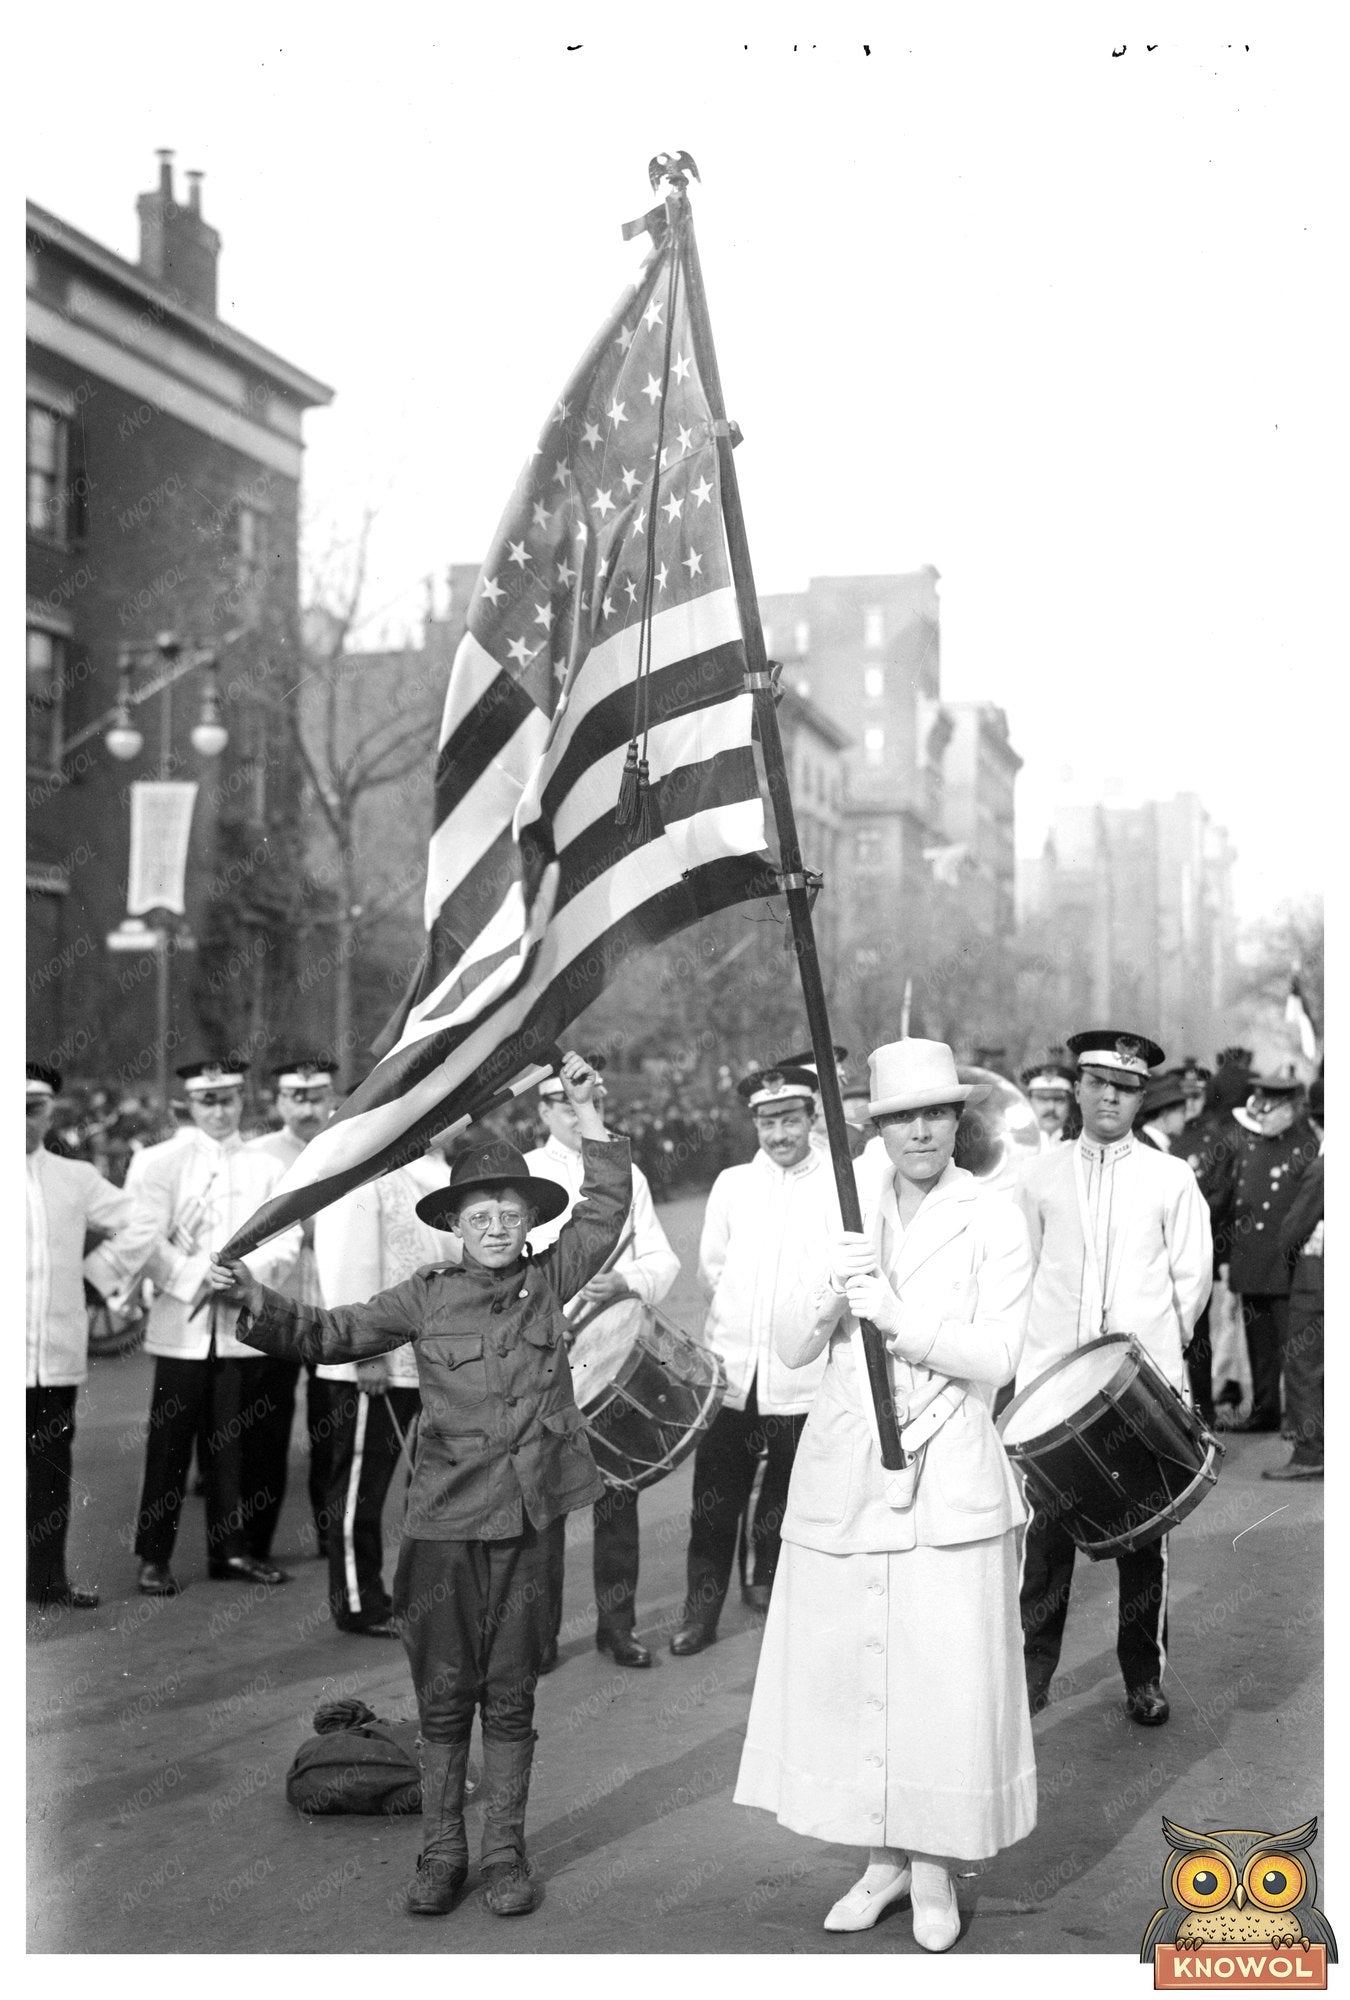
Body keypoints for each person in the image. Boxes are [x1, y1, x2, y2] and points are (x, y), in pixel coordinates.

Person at [209, 1053, 628, 1920]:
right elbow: (330, 1333)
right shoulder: (425, 1296)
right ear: (456, 1223)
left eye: (511, 1213)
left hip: (528, 1525)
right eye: (481, 1214)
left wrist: (588, 1113)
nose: (497, 1227)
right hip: (443, 1528)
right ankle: (442, 1853)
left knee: (511, 1694)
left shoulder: (548, 1281)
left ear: (529, 1221)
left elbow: (604, 1207)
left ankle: (505, 1855)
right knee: (443, 1700)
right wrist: (252, 1295)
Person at [734, 1039, 1037, 1952]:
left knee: (941, 1675)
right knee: (857, 1670)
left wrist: (901, 1319)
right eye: (902, 1117)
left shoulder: (994, 1214)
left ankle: (935, 1868)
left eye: (936, 1114)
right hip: (848, 1470)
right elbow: (789, 1344)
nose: (920, 1132)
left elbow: (999, 1355)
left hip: (950, 1472)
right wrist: (832, 1284)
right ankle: (882, 1862)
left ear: (957, 1120)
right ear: (877, 1125)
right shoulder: (841, 1206)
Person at [1015, 1030, 1213, 1728]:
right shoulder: (1037, 1177)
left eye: (1125, 1087)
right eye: (1098, 1082)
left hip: (1139, 1390)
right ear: (1078, 1087)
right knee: (1045, 1540)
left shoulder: (1170, 1177)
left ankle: (1143, 1677)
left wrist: (1151, 1362)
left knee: (1144, 1537)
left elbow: (1190, 1281)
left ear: (1141, 1097)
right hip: (1052, 1388)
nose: (1109, 1097)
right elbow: (1023, 1272)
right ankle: (1031, 1672)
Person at [670, 1065, 838, 1655]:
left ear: (811, 1118)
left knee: (786, 1494)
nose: (779, 1134)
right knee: (714, 1504)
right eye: (767, 1122)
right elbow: (711, 1270)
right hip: (733, 1374)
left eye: (790, 1119)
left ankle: (767, 1583)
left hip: (802, 1374)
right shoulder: (732, 1184)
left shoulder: (837, 1185)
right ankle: (700, 1613)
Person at [122, 1059, 300, 1595]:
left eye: (228, 1099)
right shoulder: (161, 1164)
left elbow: (287, 1239)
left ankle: (231, 1551)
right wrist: (194, 1276)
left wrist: (246, 1279)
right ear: (190, 1105)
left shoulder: (268, 1166)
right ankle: (154, 1558)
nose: (219, 1111)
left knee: (234, 1449)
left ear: (242, 1100)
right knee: (169, 1448)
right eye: (207, 1101)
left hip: (241, 1329)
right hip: (181, 1330)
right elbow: (142, 1239)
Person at [526, 1073, 680, 1671]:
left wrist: (626, 1279)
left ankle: (618, 1628)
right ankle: (539, 1638)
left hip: (610, 1361)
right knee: (544, 1505)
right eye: (562, 1103)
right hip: (543, 1364)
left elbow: (662, 1259)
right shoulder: (525, 1173)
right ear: (542, 1110)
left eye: (583, 1102)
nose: (574, 1113)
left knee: (618, 1495)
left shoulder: (628, 1173)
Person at [311, 1139, 456, 1637]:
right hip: (376, 1366)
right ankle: (358, 1602)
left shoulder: (431, 1170)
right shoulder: (365, 1173)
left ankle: (410, 1592)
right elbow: (345, 1264)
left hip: (422, 1360)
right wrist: (364, 1351)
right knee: (359, 1489)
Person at [26, 1062, 139, 1609]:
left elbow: (141, 1219)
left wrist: (99, 1273)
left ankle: (46, 1579)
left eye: (34, 1108)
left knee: (48, 1470)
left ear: (50, 1112)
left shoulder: (74, 1177)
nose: (22, 1120)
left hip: (55, 1357)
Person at [246, 1058, 340, 1557]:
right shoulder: (258, 1155)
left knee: (331, 1424)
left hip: (332, 1304)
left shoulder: (349, 1148)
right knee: (266, 1426)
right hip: (276, 1306)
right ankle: (256, 1541)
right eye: (295, 1098)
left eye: (316, 1097)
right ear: (279, 1102)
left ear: (331, 1098)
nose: (307, 1108)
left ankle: (331, 1532)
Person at [1208, 1067, 1320, 1435]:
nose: (1261, 1117)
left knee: (1295, 1346)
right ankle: (1265, 1409)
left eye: (1268, 1110)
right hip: (1252, 1262)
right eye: (1259, 1108)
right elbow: (1232, 1204)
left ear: (1288, 1109)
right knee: (1259, 1346)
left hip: (1287, 1264)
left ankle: (1300, 1417)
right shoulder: (1249, 1146)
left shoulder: (1305, 1147)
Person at [1262, 1076, 1323, 1480]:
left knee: (1303, 1366)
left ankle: (1310, 1452)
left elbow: (1291, 1231)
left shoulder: (1323, 1167)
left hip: (1315, 1281)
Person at [1019, 1057, 1078, 1146]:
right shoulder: (1014, 1148)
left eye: (1059, 1099)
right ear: (1029, 1102)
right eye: (1042, 1099)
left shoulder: (1079, 1149)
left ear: (1069, 1103)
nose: (1051, 1107)